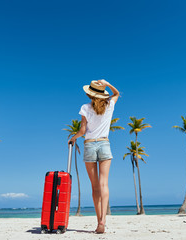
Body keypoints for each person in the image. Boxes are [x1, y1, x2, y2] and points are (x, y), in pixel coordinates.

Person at [68, 79, 119, 234]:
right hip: (104, 144)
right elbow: (117, 93)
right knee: (104, 184)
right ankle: (103, 221)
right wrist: (107, 83)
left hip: (89, 145)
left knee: (95, 186)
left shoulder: (85, 108)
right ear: (103, 94)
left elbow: (83, 131)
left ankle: (98, 222)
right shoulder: (109, 105)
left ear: (89, 94)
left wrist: (73, 138)